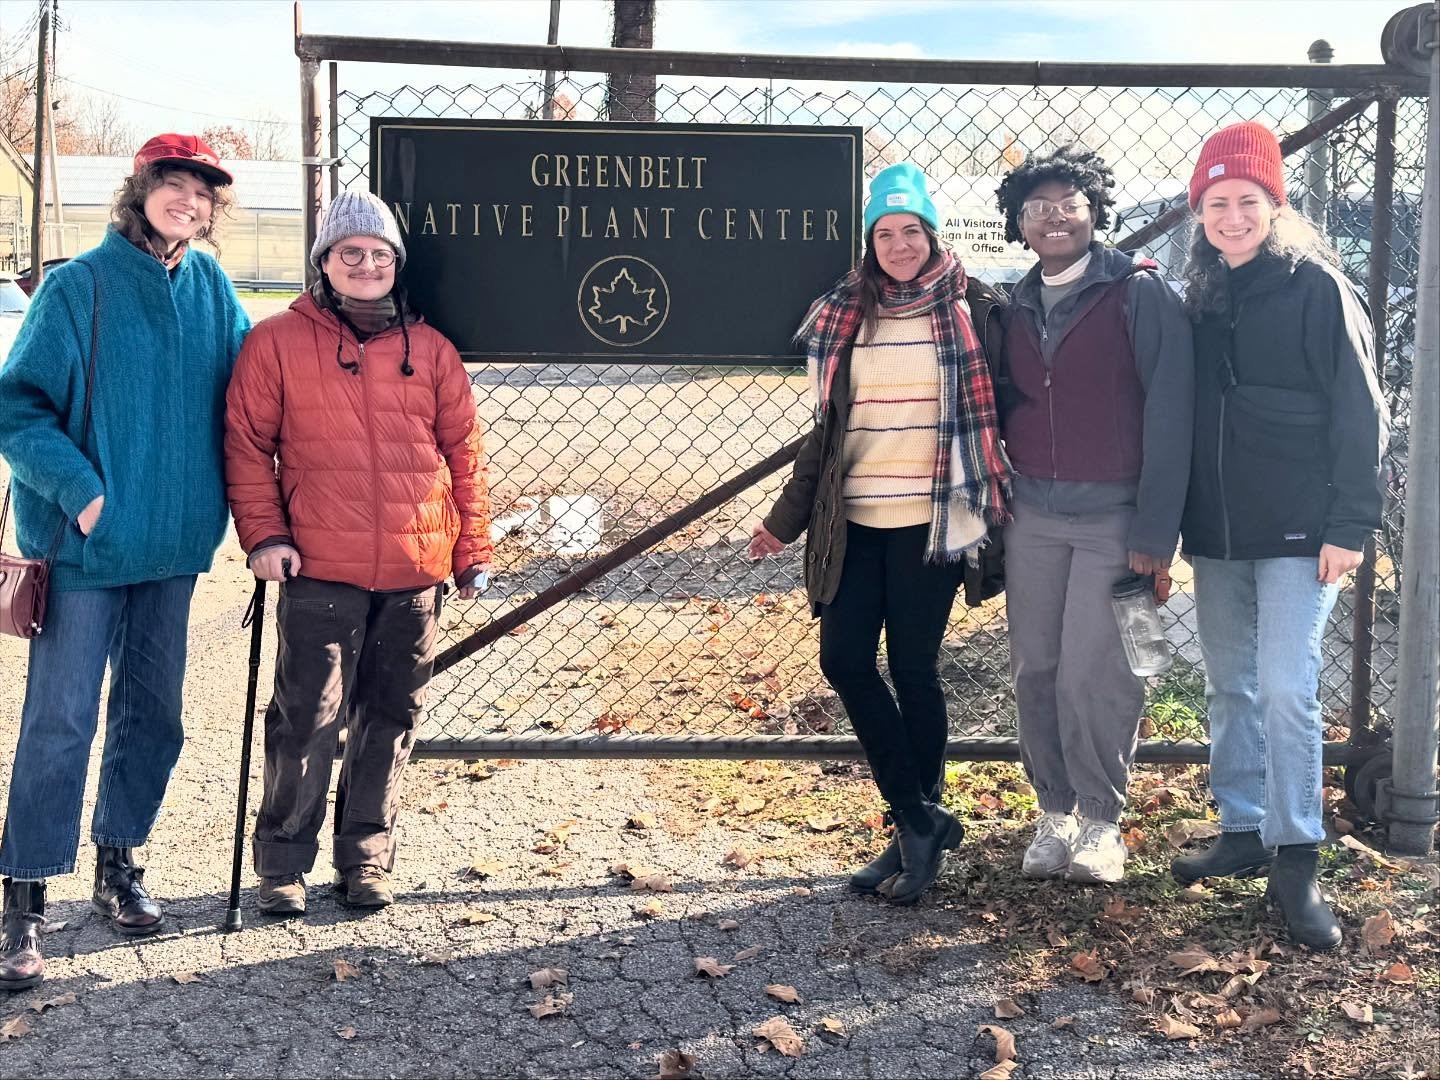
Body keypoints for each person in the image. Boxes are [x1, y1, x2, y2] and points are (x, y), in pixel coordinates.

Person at [0, 134, 248, 989]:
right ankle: (23, 903)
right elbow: (18, 408)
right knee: (60, 721)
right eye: (172, 184)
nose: (188, 200)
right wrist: (83, 491)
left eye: (203, 191)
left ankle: (117, 863)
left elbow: (255, 396)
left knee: (154, 716)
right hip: (82, 550)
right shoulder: (77, 289)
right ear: (139, 190)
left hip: (174, 551)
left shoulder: (214, 290)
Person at [749, 162, 1011, 905]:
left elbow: (1008, 413)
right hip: (855, 520)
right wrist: (783, 520)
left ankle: (910, 834)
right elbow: (826, 435)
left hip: (933, 522)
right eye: (885, 233)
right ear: (870, 242)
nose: (898, 244)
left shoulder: (975, 310)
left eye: (911, 230)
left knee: (917, 669)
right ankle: (920, 819)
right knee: (845, 662)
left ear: (933, 234)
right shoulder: (843, 314)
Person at [225, 190, 492, 916]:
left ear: (396, 264)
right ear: (325, 263)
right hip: (318, 568)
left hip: (416, 569)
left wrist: (471, 548)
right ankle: (282, 866)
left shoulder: (432, 350)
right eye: (351, 253)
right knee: (306, 718)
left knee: (390, 717)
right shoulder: (276, 342)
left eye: (379, 254)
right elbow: (248, 448)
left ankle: (366, 859)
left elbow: (464, 454)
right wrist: (265, 537)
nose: (366, 264)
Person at [1171, 122, 1387, 950]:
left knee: (1288, 685)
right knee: (1231, 685)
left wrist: (1350, 524)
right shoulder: (1199, 296)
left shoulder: (1317, 288)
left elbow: (1360, 409)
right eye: (1217, 203)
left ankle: (1296, 850)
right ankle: (1242, 823)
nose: (1232, 216)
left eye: (1247, 201)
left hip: (1304, 529)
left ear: (1275, 206)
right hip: (1220, 532)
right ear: (1200, 212)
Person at [992, 145, 1194, 884]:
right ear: (1019, 222)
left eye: (1069, 204)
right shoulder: (1010, 305)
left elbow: (1174, 413)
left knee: (1099, 668)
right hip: (1033, 514)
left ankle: (1103, 823)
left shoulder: (1140, 294)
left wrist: (1156, 532)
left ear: (1094, 212)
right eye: (1037, 207)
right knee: (1037, 667)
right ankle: (1054, 813)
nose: (1054, 218)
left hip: (1117, 517)